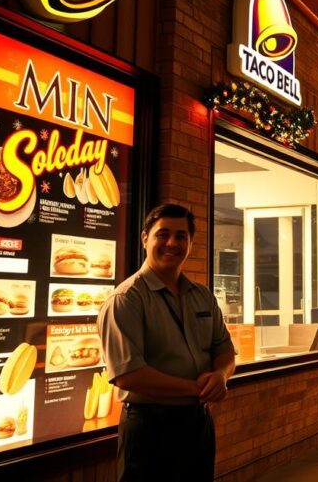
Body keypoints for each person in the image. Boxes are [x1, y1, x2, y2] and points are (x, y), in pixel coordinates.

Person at [98, 203, 236, 481]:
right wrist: (198, 389)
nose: (172, 243)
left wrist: (221, 375)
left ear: (191, 243)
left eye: (181, 236)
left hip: (197, 422)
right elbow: (129, 375)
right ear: (145, 238)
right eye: (163, 234)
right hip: (149, 426)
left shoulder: (202, 295)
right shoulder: (126, 299)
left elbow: (224, 349)